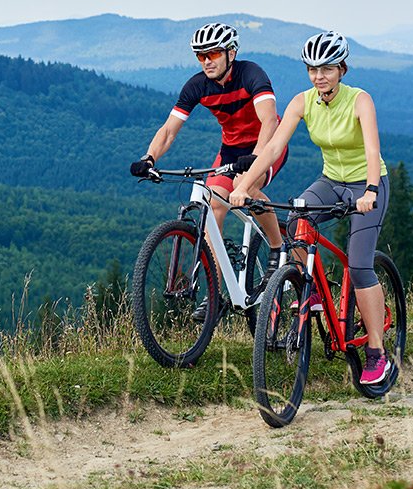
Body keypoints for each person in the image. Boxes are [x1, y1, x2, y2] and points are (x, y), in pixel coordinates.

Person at [230, 29, 395, 386]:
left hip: (367, 183)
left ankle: (377, 354)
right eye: (313, 69)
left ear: (342, 69)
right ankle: (312, 290)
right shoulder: (303, 102)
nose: (319, 76)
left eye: (327, 68)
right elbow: (272, 149)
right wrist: (243, 186)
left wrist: (369, 191)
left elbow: (371, 149)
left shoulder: (360, 100)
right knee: (297, 221)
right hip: (331, 181)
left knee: (360, 264)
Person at [130, 22, 287, 288]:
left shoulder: (251, 74)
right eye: (201, 56)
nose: (206, 61)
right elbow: (169, 130)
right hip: (231, 149)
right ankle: (214, 290)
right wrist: (149, 158)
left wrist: (257, 157)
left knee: (243, 187)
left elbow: (269, 120)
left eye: (213, 54)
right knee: (213, 204)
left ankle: (276, 247)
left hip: (268, 143)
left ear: (231, 54)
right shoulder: (198, 86)